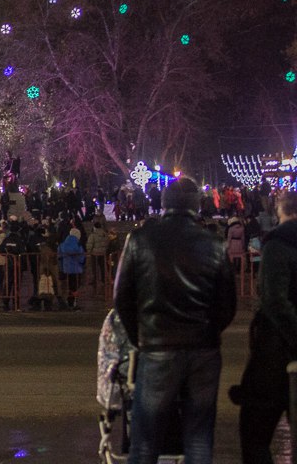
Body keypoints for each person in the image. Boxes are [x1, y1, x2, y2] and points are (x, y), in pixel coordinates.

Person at [113, 177, 236, 464]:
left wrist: (139, 336)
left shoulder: (140, 239)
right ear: (197, 206)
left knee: (145, 442)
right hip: (202, 349)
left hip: (157, 347)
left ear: (163, 203)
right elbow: (227, 303)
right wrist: (208, 332)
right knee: (198, 439)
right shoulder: (214, 244)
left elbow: (122, 298)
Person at [231, 189, 297, 463]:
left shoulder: (279, 244)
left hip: (276, 352)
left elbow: (274, 299)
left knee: (255, 432)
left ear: (281, 212)